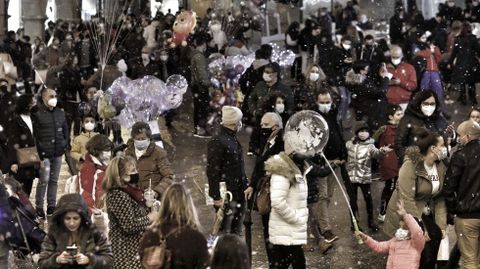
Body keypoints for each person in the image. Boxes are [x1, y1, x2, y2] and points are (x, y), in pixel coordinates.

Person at [384, 128, 448, 269]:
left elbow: (439, 198)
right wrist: (419, 229)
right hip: (404, 215)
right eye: (442, 145)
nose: (445, 149)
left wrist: (442, 225)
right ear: (432, 148)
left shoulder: (440, 166)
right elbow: (407, 199)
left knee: (430, 250)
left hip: (424, 212)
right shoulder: (410, 165)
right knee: (408, 259)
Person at [103, 156, 158, 269]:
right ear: (121, 175)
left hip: (137, 250)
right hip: (126, 253)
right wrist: (150, 217)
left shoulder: (132, 192)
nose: (136, 173)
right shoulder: (117, 195)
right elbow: (129, 225)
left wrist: (150, 205)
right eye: (132, 171)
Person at [244, 112, 284, 266]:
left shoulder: (282, 142)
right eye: (261, 125)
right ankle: (273, 261)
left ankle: (277, 262)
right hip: (267, 190)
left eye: (265, 125)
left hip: (275, 191)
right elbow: (260, 164)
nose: (262, 127)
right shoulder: (268, 140)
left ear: (276, 126)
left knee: (273, 229)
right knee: (268, 228)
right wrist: (252, 185)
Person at [139, 183, 209, 269]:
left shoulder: (150, 235)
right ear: (189, 207)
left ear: (164, 205)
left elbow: (143, 261)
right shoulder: (196, 238)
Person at [38, 193, 113, 268]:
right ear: (61, 218)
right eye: (67, 218)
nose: (72, 223)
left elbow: (109, 259)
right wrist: (56, 260)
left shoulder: (94, 233)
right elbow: (42, 262)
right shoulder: (54, 234)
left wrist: (89, 259)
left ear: (82, 218)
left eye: (75, 218)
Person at [443, 120, 480, 269]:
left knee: (469, 261)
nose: (458, 138)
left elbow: (449, 188)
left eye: (460, 135)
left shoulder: (460, 156)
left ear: (468, 136)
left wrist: (453, 210)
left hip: (467, 216)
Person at [313, 88, 347, 243]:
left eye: (328, 102)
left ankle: (320, 223)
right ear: (316, 102)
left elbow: (339, 134)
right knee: (322, 195)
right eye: (322, 102)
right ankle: (325, 228)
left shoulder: (333, 116)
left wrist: (343, 153)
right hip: (321, 163)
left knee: (328, 196)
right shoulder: (314, 117)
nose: (325, 105)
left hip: (334, 162)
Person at [207, 106, 248, 235]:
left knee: (235, 227)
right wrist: (216, 196)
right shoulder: (218, 140)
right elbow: (213, 170)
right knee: (224, 228)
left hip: (237, 189)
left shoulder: (231, 137)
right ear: (234, 122)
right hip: (227, 193)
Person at [346, 122, 391, 232]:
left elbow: (376, 154)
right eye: (361, 131)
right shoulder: (349, 144)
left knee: (368, 200)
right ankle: (354, 224)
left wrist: (382, 151)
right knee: (352, 201)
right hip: (351, 178)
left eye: (366, 131)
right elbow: (343, 153)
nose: (363, 133)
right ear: (357, 133)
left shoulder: (370, 145)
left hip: (364, 178)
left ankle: (371, 222)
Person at [32, 87, 68, 219]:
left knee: (54, 180)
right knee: (44, 180)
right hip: (44, 154)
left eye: (55, 95)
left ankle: (51, 205)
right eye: (50, 96)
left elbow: (65, 130)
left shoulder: (60, 113)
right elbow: (35, 135)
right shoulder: (38, 113)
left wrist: (64, 145)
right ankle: (39, 206)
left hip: (58, 152)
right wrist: (39, 155)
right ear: (43, 98)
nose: (54, 98)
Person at [356, 200, 425, 269]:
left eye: (405, 224)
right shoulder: (395, 240)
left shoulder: (416, 243)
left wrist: (405, 215)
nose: (402, 226)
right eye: (401, 224)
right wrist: (366, 239)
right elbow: (379, 247)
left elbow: (417, 232)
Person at [394, 90, 453, 163]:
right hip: (416, 164)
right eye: (426, 103)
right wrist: (408, 161)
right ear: (419, 103)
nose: (429, 106)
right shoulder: (408, 119)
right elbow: (398, 144)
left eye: (432, 104)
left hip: (437, 165)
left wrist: (452, 136)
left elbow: (450, 139)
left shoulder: (439, 119)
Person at [124, 122, 174, 196]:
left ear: (149, 138)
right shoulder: (128, 152)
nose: (140, 141)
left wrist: (156, 192)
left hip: (153, 195)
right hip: (135, 194)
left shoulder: (158, 153)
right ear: (133, 138)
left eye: (143, 138)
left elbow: (168, 177)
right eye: (138, 139)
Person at [373, 105, 404, 222]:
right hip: (389, 162)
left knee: (397, 187)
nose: (401, 116)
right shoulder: (384, 129)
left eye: (402, 114)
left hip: (399, 161)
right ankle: (383, 212)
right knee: (390, 187)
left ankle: (392, 210)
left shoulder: (402, 127)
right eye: (398, 114)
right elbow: (372, 141)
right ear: (391, 116)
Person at [6, 94, 37, 196]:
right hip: (20, 160)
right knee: (19, 191)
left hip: (31, 159)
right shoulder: (16, 120)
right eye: (32, 102)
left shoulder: (33, 117)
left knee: (28, 189)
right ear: (26, 104)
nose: (34, 103)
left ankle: (25, 209)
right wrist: (13, 162)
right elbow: (12, 142)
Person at [345, 60, 390, 131]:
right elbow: (380, 92)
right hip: (372, 113)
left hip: (370, 112)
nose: (368, 71)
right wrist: (386, 78)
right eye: (366, 69)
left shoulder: (361, 81)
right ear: (361, 71)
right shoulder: (361, 84)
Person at [448, 22, 480, 106]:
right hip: (471, 63)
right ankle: (472, 98)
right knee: (471, 82)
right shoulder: (473, 38)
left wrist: (450, 62)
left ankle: (463, 98)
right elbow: (478, 50)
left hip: (461, 63)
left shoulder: (458, 39)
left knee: (462, 82)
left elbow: (454, 53)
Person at [79, 134, 112, 213]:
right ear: (96, 150)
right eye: (106, 150)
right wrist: (93, 214)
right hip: (97, 212)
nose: (109, 153)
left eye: (109, 150)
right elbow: (86, 194)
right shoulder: (89, 168)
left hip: (104, 208)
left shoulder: (104, 165)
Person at [190, 32, 212, 138]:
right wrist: (209, 84)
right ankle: (201, 130)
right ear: (203, 44)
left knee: (198, 108)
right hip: (200, 87)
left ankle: (198, 129)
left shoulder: (195, 55)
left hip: (196, 87)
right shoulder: (199, 57)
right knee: (202, 109)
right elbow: (202, 74)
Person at [385, 46, 417, 111]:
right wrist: (387, 83)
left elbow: (413, 86)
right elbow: (379, 85)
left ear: (402, 56)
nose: (395, 59)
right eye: (393, 57)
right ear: (390, 56)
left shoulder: (409, 68)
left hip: (404, 103)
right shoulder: (385, 68)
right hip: (388, 102)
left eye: (397, 57)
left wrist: (400, 82)